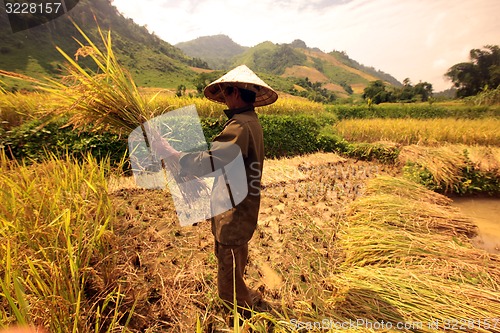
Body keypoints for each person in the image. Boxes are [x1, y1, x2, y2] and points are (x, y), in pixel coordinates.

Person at [153, 65, 278, 314]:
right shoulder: (250, 121)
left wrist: (172, 154)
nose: (224, 98)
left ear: (235, 93)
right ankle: (243, 295)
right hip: (241, 204)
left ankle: (237, 311)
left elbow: (212, 160)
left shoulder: (239, 126)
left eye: (225, 93)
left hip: (234, 208)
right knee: (236, 255)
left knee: (229, 265)